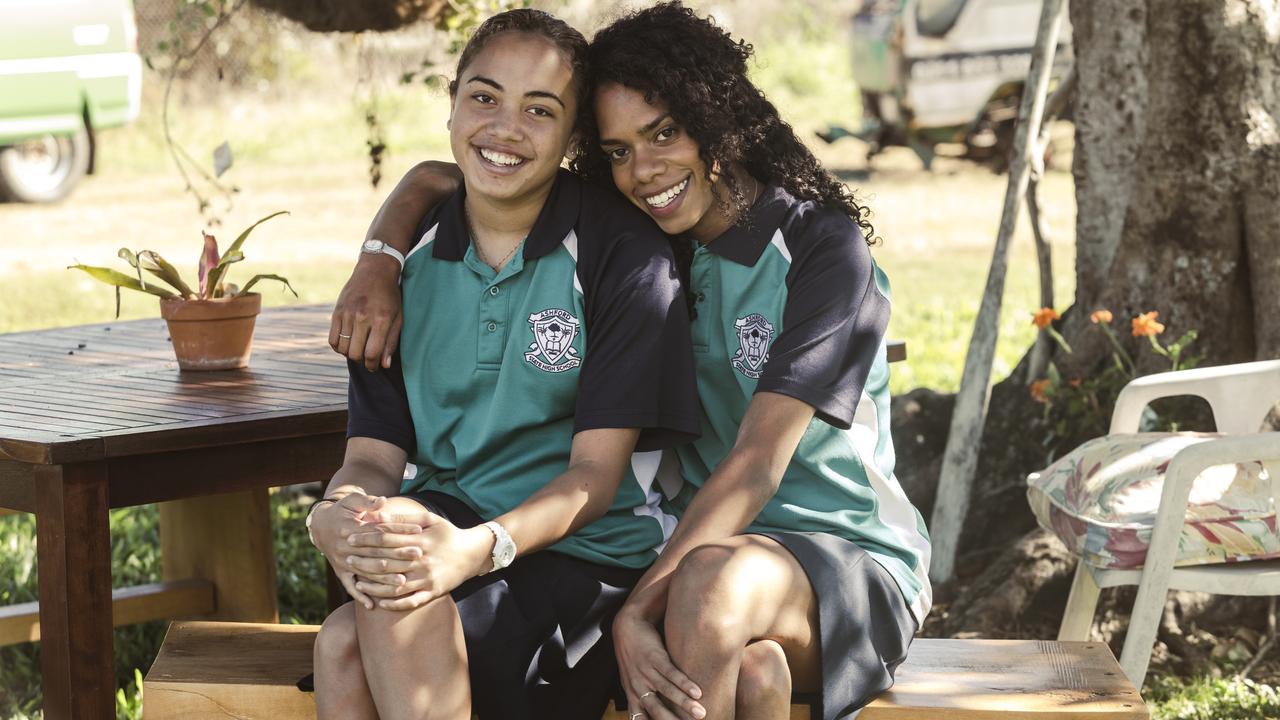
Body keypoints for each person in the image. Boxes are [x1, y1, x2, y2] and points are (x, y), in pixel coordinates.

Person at [332, 4, 932, 719]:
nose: (644, 170)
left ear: (717, 117)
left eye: (664, 134)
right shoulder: (649, 242)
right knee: (736, 645)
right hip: (702, 556)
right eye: (617, 151)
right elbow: (448, 175)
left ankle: (740, 647)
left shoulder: (822, 250)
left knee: (708, 592)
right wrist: (383, 251)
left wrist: (640, 605)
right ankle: (757, 671)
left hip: (846, 556)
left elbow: (756, 466)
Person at [307, 9, 698, 720]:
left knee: (359, 632)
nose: (505, 128)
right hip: (449, 533)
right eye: (484, 98)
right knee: (350, 627)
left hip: (592, 558)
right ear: (451, 101)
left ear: (574, 137)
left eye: (539, 111)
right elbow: (370, 456)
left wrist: (472, 552)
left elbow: (595, 482)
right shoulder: (401, 269)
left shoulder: (623, 257)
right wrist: (334, 515)